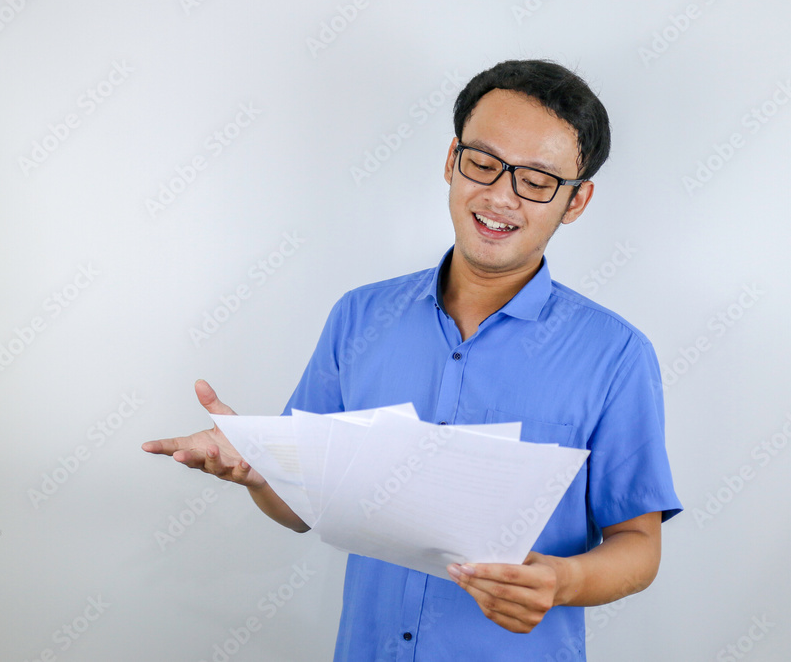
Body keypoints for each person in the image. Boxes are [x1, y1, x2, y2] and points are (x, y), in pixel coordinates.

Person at [143, 59, 681, 661]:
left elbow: (639, 543)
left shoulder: (616, 355)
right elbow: (301, 507)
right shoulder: (359, 317)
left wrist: (564, 581)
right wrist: (259, 469)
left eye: (536, 180)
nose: (501, 195)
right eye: (484, 163)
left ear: (576, 200)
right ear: (452, 160)